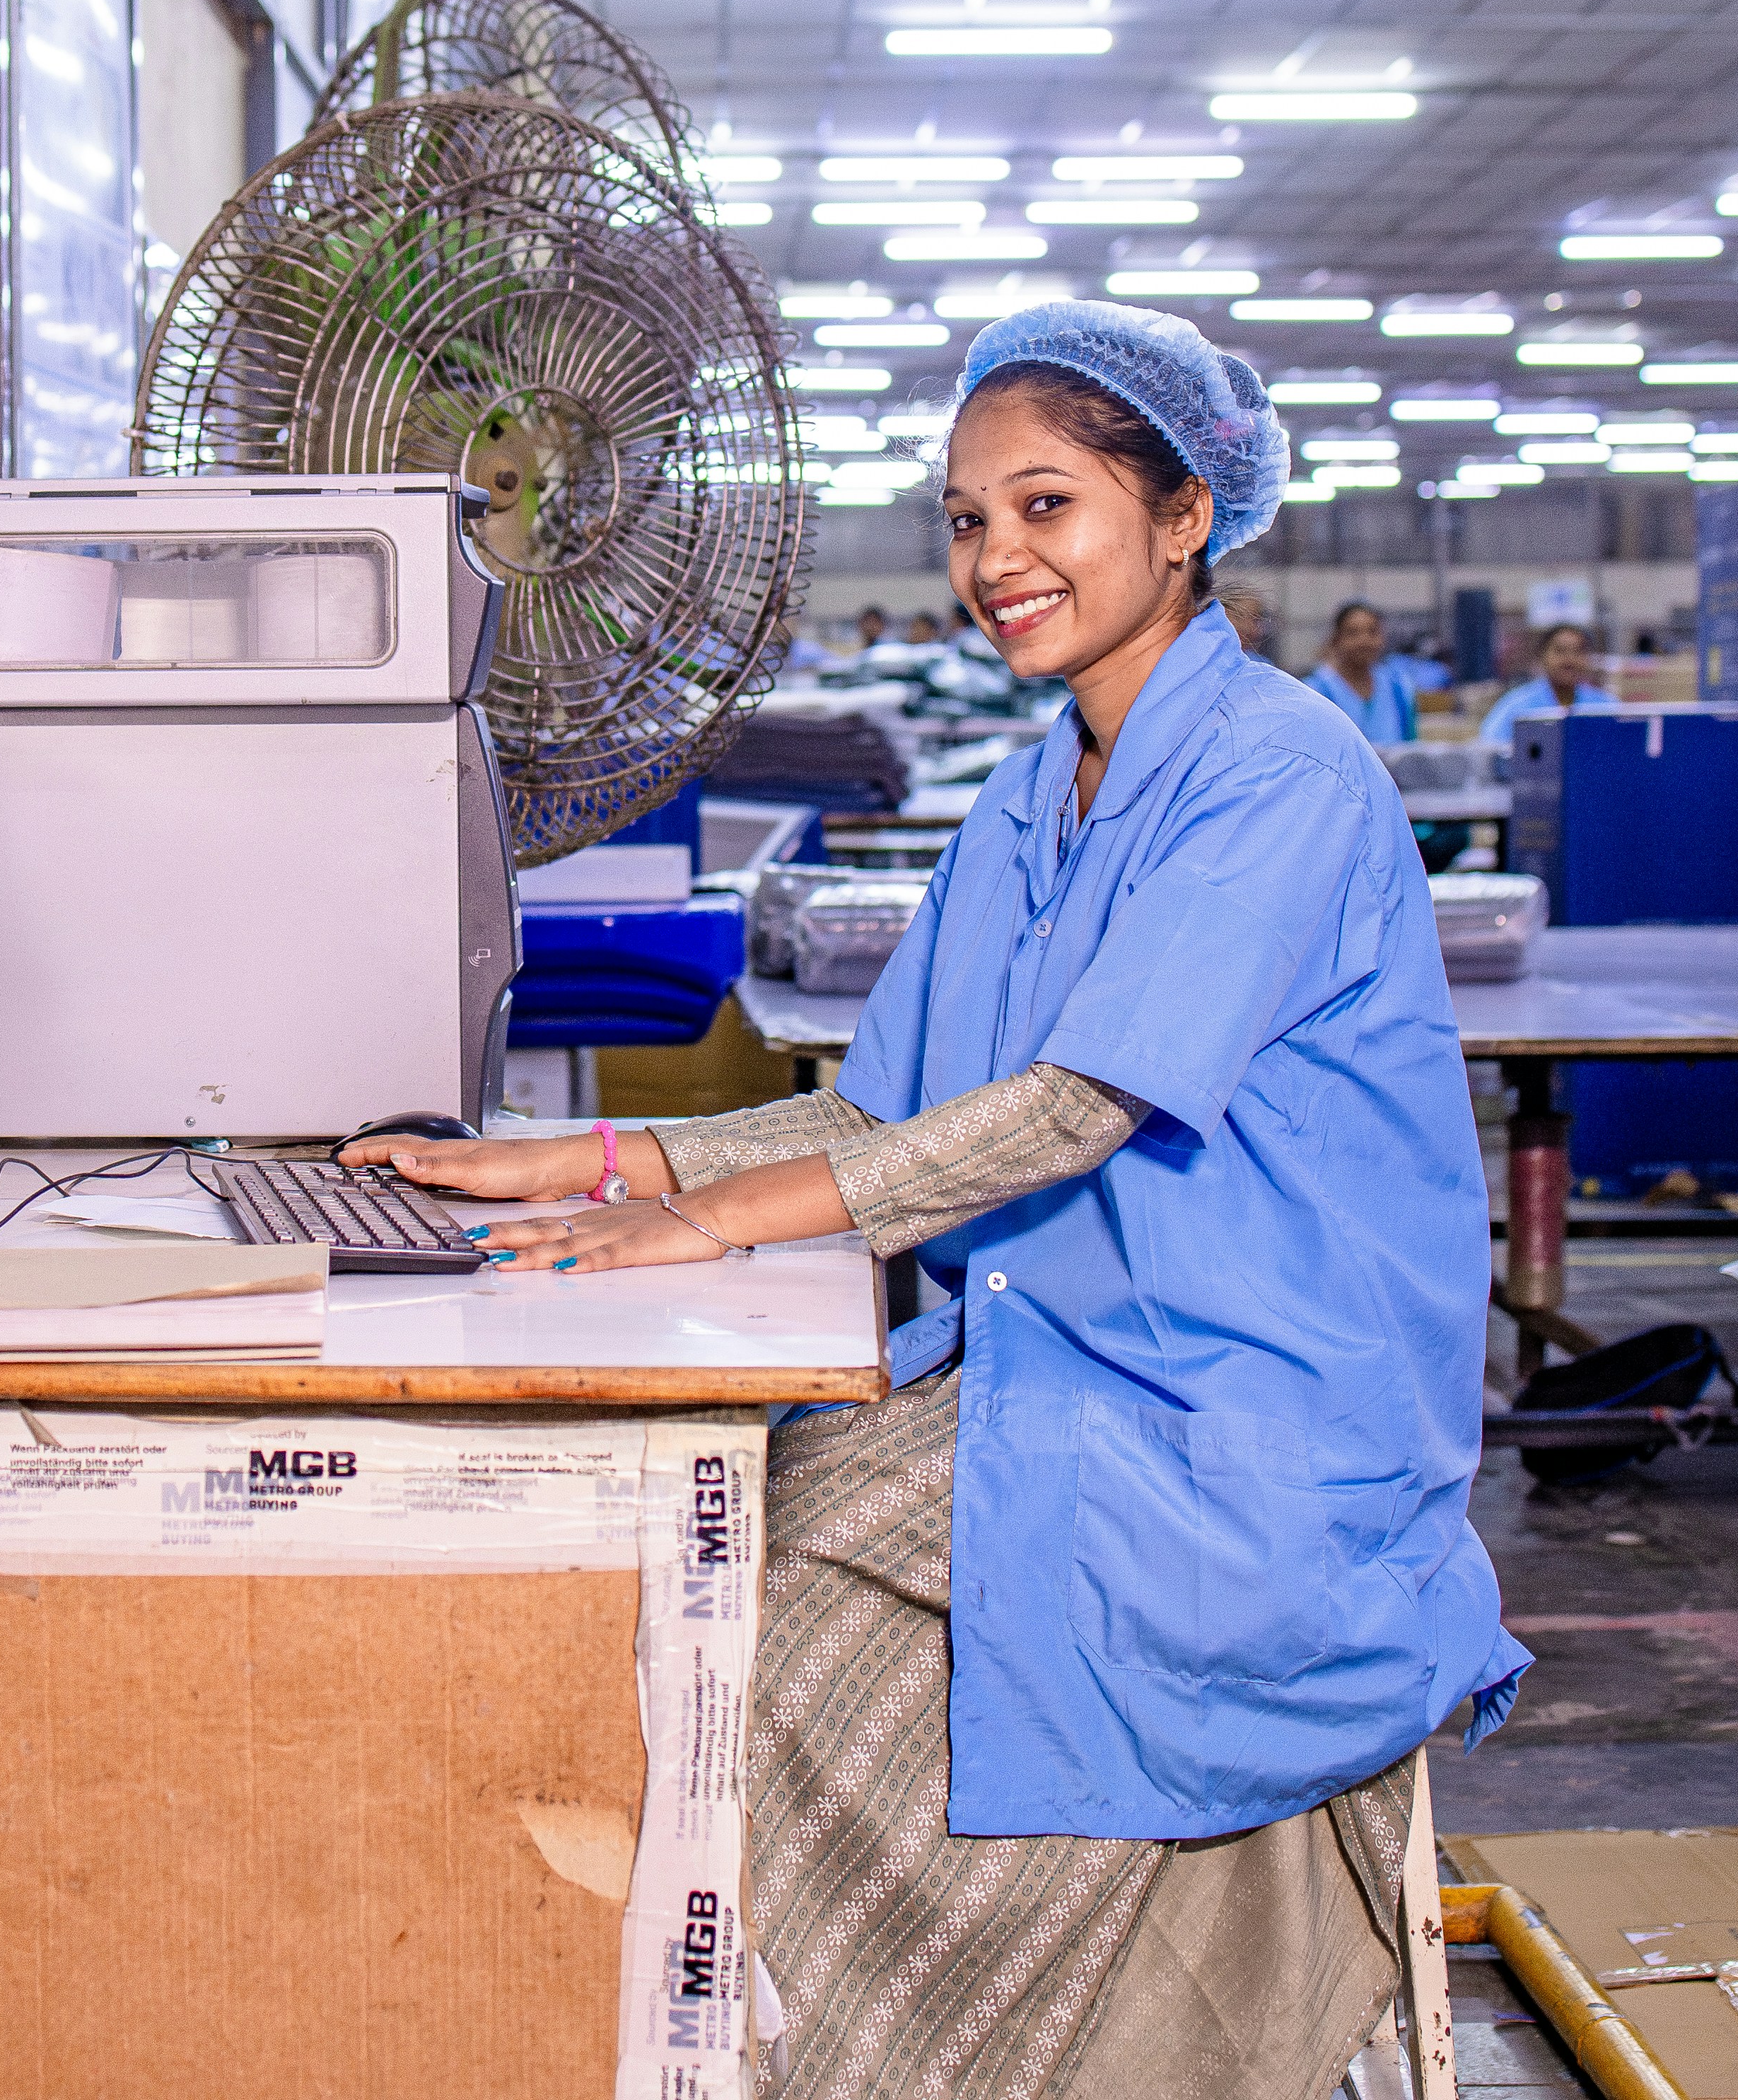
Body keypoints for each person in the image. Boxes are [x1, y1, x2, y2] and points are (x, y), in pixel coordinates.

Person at [342, 299, 1522, 2100]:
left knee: (760, 1612)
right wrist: (586, 1159)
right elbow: (891, 1108)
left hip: (1247, 1422)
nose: (998, 561)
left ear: (1184, 511)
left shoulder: (1278, 774)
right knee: (714, 1526)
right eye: (971, 520)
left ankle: (894, 2046)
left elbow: (1070, 1107)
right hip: (1085, 1373)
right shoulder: (1036, 794)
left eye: (1047, 507)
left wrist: (714, 1221)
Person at [1477, 620, 1619, 742]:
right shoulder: (1516, 706)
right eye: (1560, 651)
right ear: (1542, 656)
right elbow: (1489, 748)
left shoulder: (1605, 705)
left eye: (1579, 652)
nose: (1570, 660)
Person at [1305, 597, 1416, 745]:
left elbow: (1411, 748)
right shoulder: (1316, 692)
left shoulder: (1399, 689)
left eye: (1373, 632)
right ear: (1336, 639)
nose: (1364, 641)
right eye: (1353, 633)